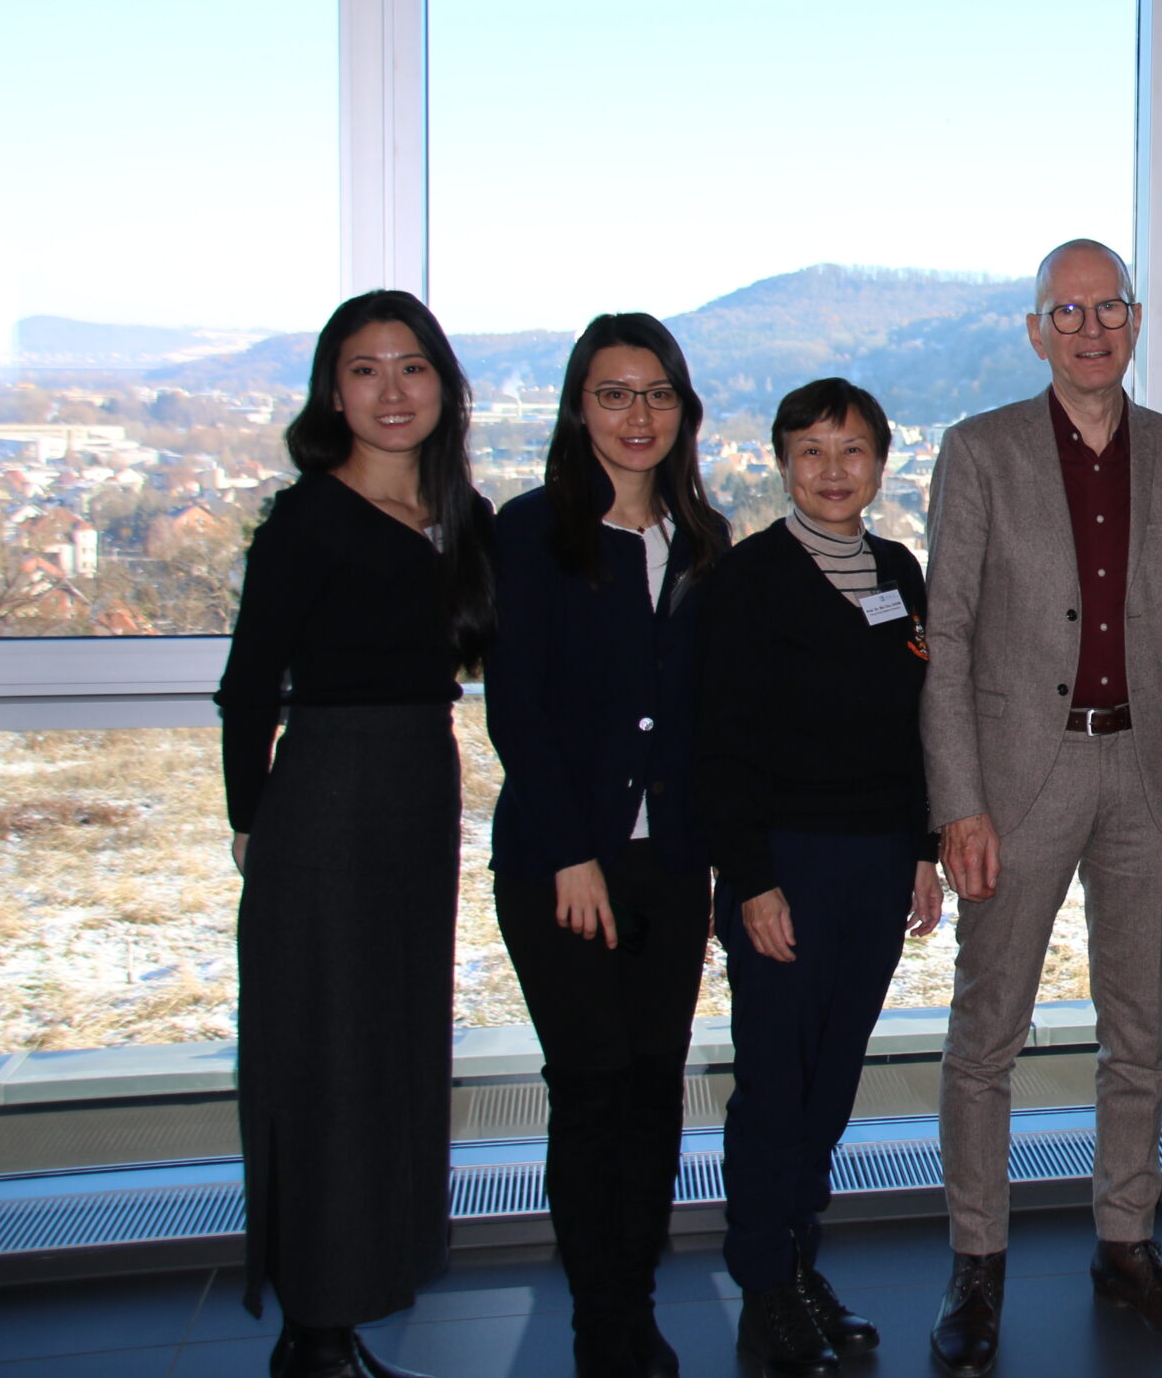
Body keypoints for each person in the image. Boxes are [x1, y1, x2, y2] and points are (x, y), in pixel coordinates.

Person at [920, 239, 1162, 1378]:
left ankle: (1126, 1245)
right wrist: (956, 802)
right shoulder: (980, 452)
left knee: (1137, 1031)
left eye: (1109, 308)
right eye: (1069, 310)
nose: (1091, 328)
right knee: (985, 1031)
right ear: (1036, 328)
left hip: (1148, 778)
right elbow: (945, 637)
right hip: (1019, 779)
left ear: (1138, 320)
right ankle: (976, 1260)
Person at [215, 290, 495, 1378]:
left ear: (444, 386)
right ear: (335, 391)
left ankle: (349, 1299)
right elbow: (247, 689)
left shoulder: (455, 515)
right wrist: (254, 822)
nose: (392, 391)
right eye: (366, 370)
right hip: (327, 804)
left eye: (412, 367)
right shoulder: (306, 520)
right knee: (326, 1056)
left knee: (392, 1049)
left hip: (418, 795)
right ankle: (315, 1331)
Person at [485, 313, 731, 1378]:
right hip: (561, 865)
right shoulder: (532, 531)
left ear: (683, 409)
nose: (638, 416)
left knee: (655, 1087)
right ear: (578, 406)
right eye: (613, 393)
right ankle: (598, 1325)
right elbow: (516, 712)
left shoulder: (706, 541)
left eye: (657, 394)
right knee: (590, 1090)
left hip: (672, 865)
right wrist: (572, 853)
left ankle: (634, 1297)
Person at [695, 378, 945, 1376]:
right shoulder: (747, 580)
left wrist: (924, 850)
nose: (833, 472)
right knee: (774, 1083)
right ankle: (762, 1284)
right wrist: (749, 880)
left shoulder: (898, 569)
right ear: (781, 464)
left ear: (881, 464)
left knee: (831, 1079)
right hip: (785, 865)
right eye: (811, 452)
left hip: (878, 860)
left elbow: (921, 724)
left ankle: (799, 1261)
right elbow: (721, 743)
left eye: (852, 452)